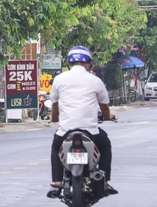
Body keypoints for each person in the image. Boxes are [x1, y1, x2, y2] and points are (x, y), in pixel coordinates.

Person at [47, 46, 116, 198]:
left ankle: (57, 182)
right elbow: (104, 106)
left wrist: (54, 119)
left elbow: (55, 105)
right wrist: (106, 117)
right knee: (105, 145)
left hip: (65, 131)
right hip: (90, 132)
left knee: (55, 147)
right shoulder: (95, 81)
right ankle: (105, 182)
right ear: (88, 63)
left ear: (70, 63)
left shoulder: (59, 79)